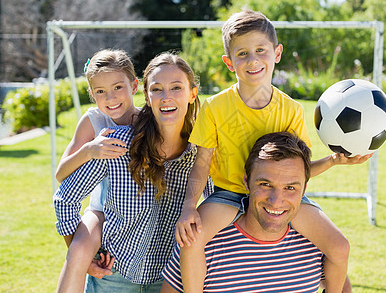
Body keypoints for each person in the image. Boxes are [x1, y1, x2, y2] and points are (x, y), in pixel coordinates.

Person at [175, 10, 371, 292]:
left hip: (277, 193)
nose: (252, 60)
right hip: (229, 195)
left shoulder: (290, 110)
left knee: (339, 247)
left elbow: (297, 175)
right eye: (242, 54)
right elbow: (202, 162)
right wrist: (188, 209)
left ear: (277, 53)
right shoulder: (215, 107)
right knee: (191, 240)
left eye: (260, 50)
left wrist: (333, 160)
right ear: (229, 62)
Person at [53, 52, 213, 292]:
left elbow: (220, 207)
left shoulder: (203, 153)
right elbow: (65, 196)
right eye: (157, 89)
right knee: (78, 251)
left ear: (192, 93)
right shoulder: (114, 143)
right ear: (147, 97)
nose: (166, 97)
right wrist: (85, 253)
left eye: (176, 88)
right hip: (113, 275)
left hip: (172, 279)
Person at [162, 132, 350, 292]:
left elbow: (342, 282)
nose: (276, 201)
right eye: (265, 184)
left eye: (290, 188)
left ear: (304, 188)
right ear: (246, 181)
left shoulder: (316, 243)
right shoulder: (202, 242)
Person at [55, 48, 140, 292]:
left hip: (133, 211)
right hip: (101, 210)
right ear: (92, 94)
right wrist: (89, 150)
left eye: (117, 88)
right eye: (101, 92)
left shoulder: (146, 120)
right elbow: (61, 173)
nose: (110, 97)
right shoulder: (93, 120)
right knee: (79, 250)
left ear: (134, 86)